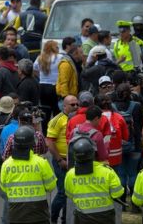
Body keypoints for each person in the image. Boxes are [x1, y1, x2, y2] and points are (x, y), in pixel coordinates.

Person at [0, 126, 56, 224]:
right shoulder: (41, 162)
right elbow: (51, 186)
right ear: (32, 144)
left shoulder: (6, 165)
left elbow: (4, 189)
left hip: (16, 216)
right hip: (39, 215)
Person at [65, 139, 123, 223]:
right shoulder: (107, 171)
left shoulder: (70, 174)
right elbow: (118, 193)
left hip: (82, 218)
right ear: (93, 153)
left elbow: (70, 195)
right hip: (105, 217)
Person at [46, 95, 78, 224]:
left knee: (71, 192)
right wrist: (59, 160)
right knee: (62, 192)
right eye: (72, 105)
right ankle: (53, 218)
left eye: (77, 104)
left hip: (74, 161)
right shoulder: (57, 120)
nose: (76, 107)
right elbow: (49, 142)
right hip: (62, 160)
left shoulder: (77, 118)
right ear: (64, 106)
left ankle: (66, 218)